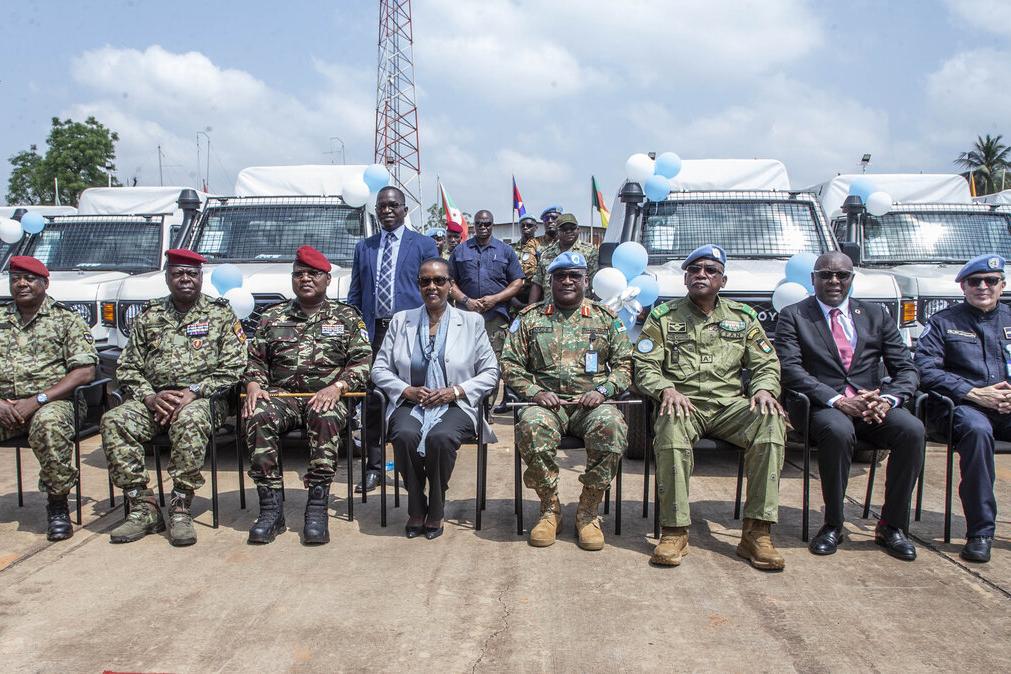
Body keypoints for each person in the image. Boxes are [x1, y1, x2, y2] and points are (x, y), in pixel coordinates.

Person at [633, 245, 787, 570]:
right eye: (694, 269)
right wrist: (665, 389)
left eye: (710, 270)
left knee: (770, 421)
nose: (701, 274)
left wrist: (762, 389)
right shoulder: (664, 317)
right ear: (686, 277)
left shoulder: (743, 318)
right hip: (684, 404)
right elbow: (644, 365)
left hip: (729, 406)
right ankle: (674, 531)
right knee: (670, 425)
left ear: (723, 279)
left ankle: (756, 532)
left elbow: (766, 362)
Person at [776, 252, 923, 560]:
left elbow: (906, 368)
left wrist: (887, 399)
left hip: (872, 406)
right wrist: (839, 400)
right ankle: (833, 524)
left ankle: (891, 526)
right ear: (813, 278)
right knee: (838, 430)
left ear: (851, 279)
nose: (834, 281)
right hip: (821, 407)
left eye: (841, 275)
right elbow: (789, 369)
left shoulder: (876, 315)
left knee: (912, 430)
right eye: (826, 275)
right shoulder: (795, 315)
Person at [102, 250, 247, 546]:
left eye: (191, 274)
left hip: (205, 399)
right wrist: (150, 397)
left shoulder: (220, 314)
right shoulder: (150, 316)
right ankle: (143, 507)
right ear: (167, 277)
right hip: (155, 400)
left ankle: (180, 506)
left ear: (201, 277)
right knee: (114, 421)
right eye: (178, 273)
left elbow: (235, 366)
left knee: (190, 419)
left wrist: (193, 391)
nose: (185, 279)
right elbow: (127, 366)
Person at [501, 251, 632, 551]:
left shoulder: (606, 319)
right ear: (551, 281)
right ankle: (550, 508)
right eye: (560, 276)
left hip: (591, 404)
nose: (568, 281)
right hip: (548, 405)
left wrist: (604, 391)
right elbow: (509, 364)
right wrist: (534, 392)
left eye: (575, 275)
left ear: (586, 280)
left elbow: (626, 365)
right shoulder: (530, 319)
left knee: (612, 425)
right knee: (531, 425)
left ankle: (588, 511)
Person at [242, 246, 373, 545]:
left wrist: (338, 387)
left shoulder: (347, 317)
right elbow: (255, 360)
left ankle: (317, 506)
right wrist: (253, 384)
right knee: (258, 413)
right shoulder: (272, 317)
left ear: (327, 279)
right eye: (299, 274)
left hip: (328, 396)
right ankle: (270, 509)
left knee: (324, 416)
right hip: (282, 395)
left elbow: (363, 360)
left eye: (313, 274)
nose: (305, 279)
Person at [372, 257, 499, 539]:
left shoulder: (471, 322)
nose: (432, 286)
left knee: (440, 438)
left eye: (439, 280)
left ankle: (437, 507)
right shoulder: (401, 320)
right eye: (425, 281)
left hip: (455, 403)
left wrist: (454, 391)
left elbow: (491, 372)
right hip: (412, 401)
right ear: (418, 285)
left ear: (451, 286)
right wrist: (406, 390)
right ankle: (417, 507)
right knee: (404, 434)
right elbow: (378, 369)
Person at [916, 253, 1011, 563]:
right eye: (974, 282)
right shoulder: (944, 322)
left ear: (1002, 285)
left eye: (991, 281)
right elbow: (925, 370)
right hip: (961, 408)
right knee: (978, 431)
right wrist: (973, 392)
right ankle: (981, 532)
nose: (983, 286)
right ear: (963, 287)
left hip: (1007, 406)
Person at [349, 186, 439, 493]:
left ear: (404, 209)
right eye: (381, 206)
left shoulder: (423, 244)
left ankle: (416, 463)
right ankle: (374, 466)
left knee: (416, 397)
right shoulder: (365, 247)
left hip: (413, 333)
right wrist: (356, 329)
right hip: (375, 333)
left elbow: (434, 289)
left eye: (393, 205)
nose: (387, 210)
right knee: (373, 402)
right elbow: (356, 293)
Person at [0, 256, 97, 541]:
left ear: (44, 283)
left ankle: (57, 505)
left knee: (49, 424)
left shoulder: (66, 320)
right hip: (5, 406)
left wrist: (38, 399)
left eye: (29, 278)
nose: (21, 284)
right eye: (16, 278)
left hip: (54, 403)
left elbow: (84, 372)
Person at [448, 209, 525, 358]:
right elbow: (449, 281)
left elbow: (518, 281)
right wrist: (466, 300)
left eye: (487, 224)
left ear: (492, 225)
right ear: (474, 226)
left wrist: (495, 299)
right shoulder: (460, 251)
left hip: (495, 316)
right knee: (465, 360)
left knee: (493, 362)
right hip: (466, 316)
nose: (483, 227)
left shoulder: (506, 250)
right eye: (479, 224)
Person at [528, 213, 598, 305]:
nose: (569, 231)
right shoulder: (546, 254)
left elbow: (596, 283)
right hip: (550, 310)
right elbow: (537, 283)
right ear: (558, 231)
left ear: (578, 229)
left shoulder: (590, 252)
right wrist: (529, 309)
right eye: (564, 229)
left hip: (579, 310)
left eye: (572, 228)